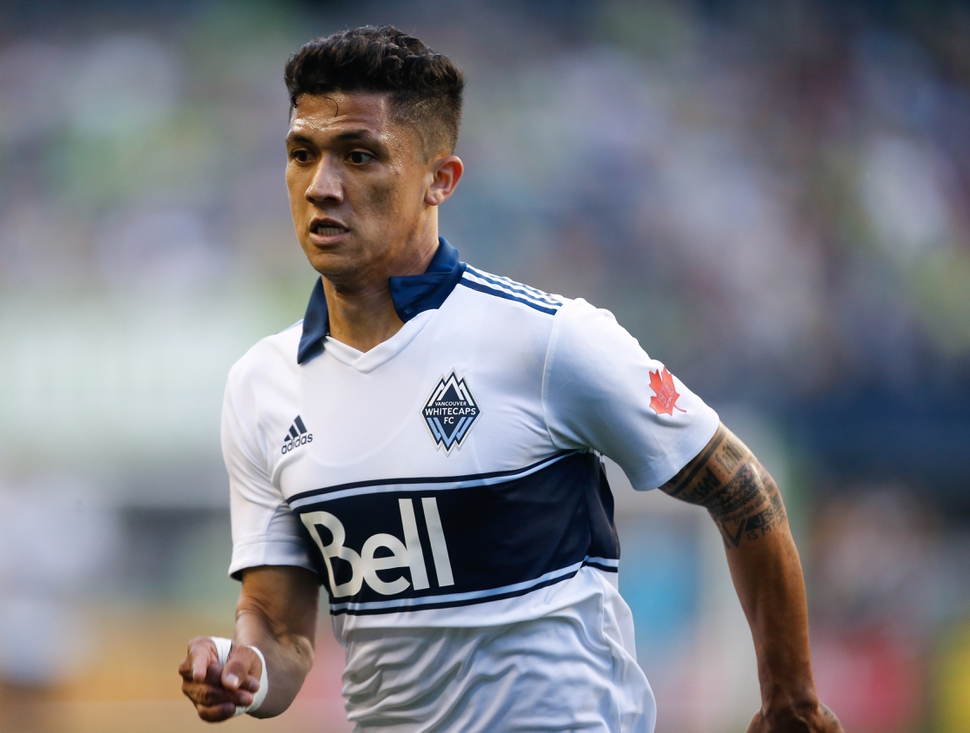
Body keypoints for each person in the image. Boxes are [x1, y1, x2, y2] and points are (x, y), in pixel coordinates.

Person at [178, 25, 842, 733]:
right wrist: (242, 667)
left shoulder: (550, 340)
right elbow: (280, 632)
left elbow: (743, 490)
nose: (322, 186)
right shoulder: (262, 386)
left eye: (360, 155)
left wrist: (790, 696)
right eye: (302, 154)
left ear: (441, 178)